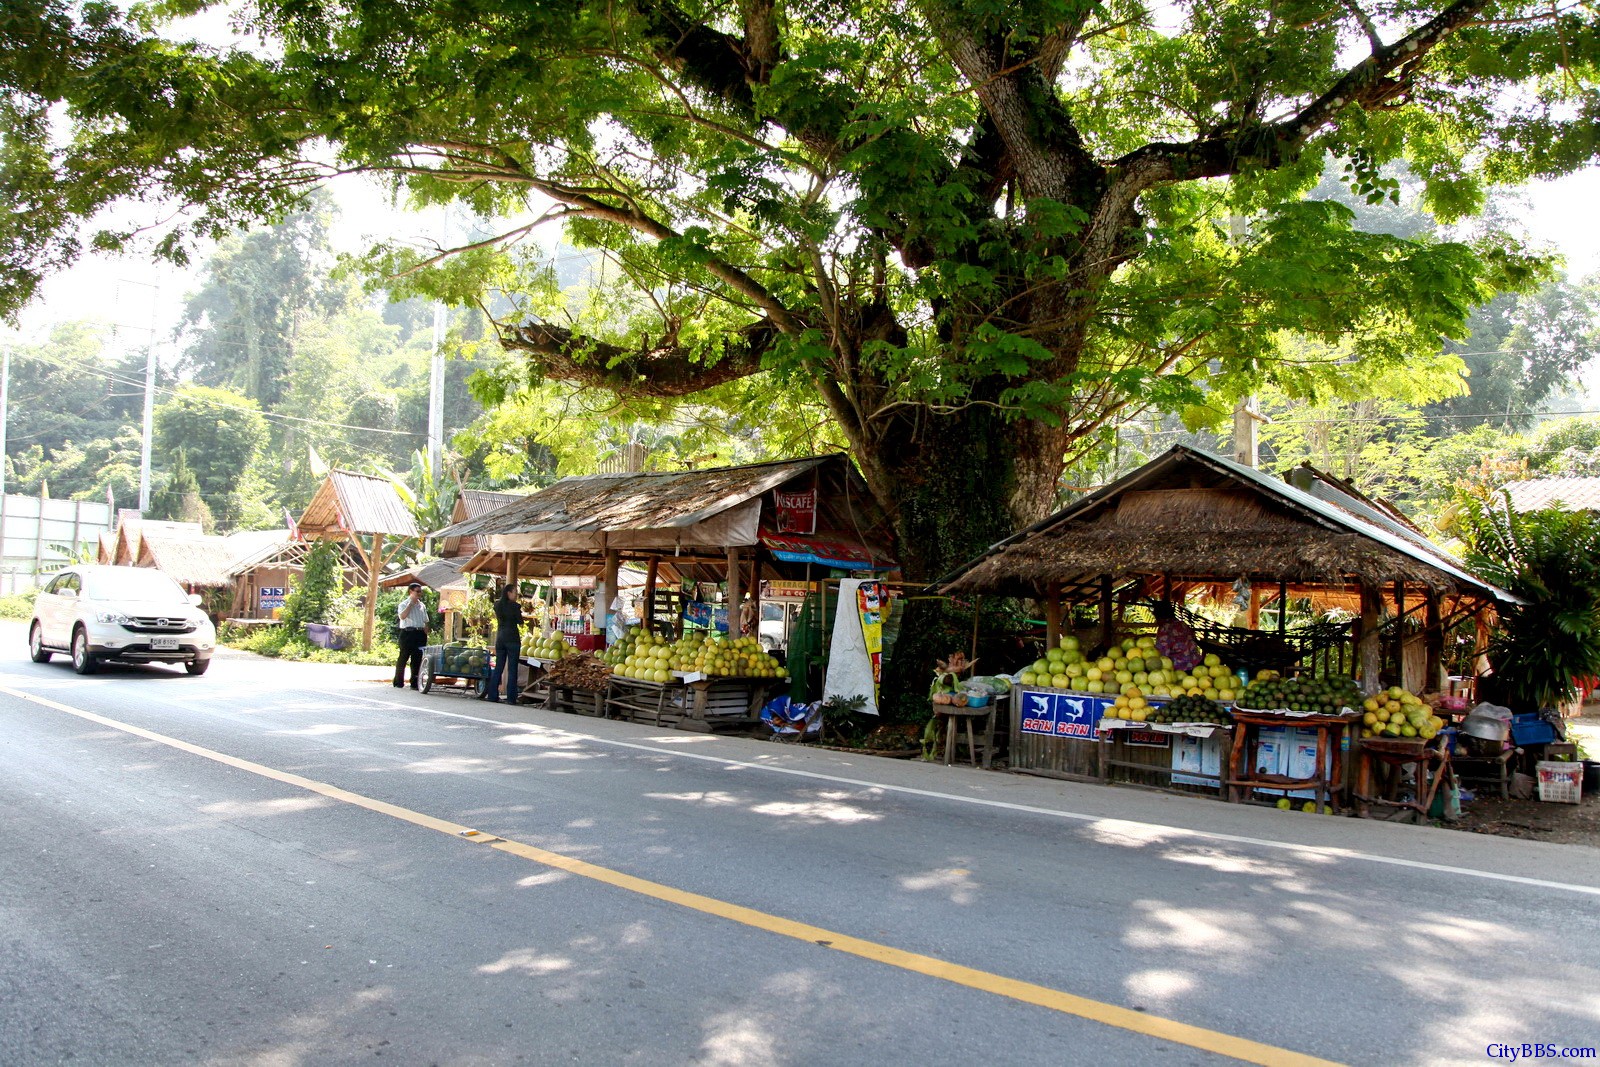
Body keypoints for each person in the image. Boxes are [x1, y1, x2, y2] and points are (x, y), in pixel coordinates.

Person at [485, 583, 522, 703]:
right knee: (512, 669)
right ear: (509, 593)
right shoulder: (515, 607)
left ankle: (492, 695)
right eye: (514, 593)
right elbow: (520, 621)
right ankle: (511, 698)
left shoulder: (497, 605)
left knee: (499, 667)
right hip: (512, 638)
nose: (516, 595)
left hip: (500, 638)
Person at [393, 581, 430, 689]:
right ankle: (398, 682)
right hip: (408, 633)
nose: (419, 594)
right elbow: (402, 616)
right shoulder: (404, 604)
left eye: (420, 592)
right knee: (403, 658)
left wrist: (426, 628)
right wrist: (411, 604)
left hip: (419, 633)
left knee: (417, 659)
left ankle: (414, 683)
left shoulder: (422, 605)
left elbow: (425, 620)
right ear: (411, 591)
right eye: (417, 591)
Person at [1153, 600, 1202, 672]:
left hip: (1180, 668)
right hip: (1196, 665)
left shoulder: (1165, 629)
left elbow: (1162, 654)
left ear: (1159, 616)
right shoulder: (1183, 624)